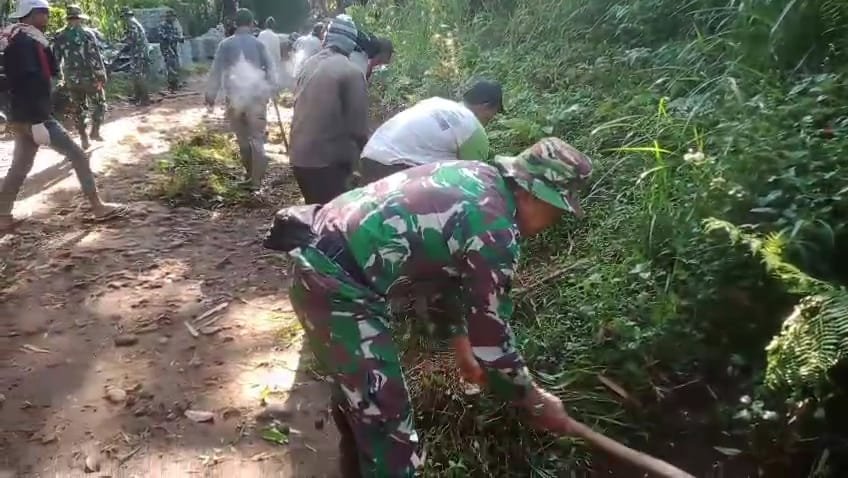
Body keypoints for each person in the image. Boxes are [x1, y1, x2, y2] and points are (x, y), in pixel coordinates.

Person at [267, 137, 592, 477]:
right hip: (334, 285)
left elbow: (446, 277)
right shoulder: (496, 232)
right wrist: (534, 400)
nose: (552, 222)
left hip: (321, 257)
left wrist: (460, 342)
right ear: (531, 193)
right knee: (392, 435)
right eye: (555, 210)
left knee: (364, 398)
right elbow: (494, 342)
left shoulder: (479, 178)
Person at [0, 0, 126, 231]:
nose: (47, 19)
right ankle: (98, 207)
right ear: (31, 14)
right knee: (78, 156)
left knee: (19, 167)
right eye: (44, 14)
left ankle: (3, 216)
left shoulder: (16, 39)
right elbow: (30, 81)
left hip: (21, 116)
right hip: (35, 116)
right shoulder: (26, 43)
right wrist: (39, 120)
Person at [359, 80, 504, 184]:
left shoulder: (435, 103)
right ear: (486, 106)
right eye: (495, 112)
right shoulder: (474, 128)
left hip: (370, 156)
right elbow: (472, 179)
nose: (492, 118)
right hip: (398, 171)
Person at [290, 15, 367, 205]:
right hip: (326, 164)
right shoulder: (352, 72)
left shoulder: (308, 65)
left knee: (315, 212)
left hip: (298, 159)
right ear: (351, 44)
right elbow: (358, 130)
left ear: (327, 38)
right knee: (334, 218)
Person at [205, 8, 275, 190]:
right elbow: (270, 70)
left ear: (235, 24)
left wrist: (210, 95)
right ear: (252, 24)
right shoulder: (259, 45)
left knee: (243, 139)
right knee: (257, 138)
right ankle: (256, 180)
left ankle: (250, 173)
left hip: (235, 98)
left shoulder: (225, 45)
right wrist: (270, 90)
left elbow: (216, 71)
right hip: (257, 98)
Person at [51, 4, 108, 150]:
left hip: (71, 79)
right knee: (100, 104)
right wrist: (101, 76)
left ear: (68, 19)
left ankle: (83, 137)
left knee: (79, 108)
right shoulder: (87, 34)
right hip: (90, 78)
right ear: (80, 18)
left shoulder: (59, 35)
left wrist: (59, 78)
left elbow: (55, 59)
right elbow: (95, 57)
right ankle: (94, 131)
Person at [119, 7, 151, 105]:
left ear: (126, 16)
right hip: (138, 52)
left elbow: (133, 38)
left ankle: (144, 99)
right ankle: (138, 97)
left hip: (139, 53)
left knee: (138, 75)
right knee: (135, 74)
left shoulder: (131, 23)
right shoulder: (134, 22)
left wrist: (123, 43)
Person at [158, 9, 183, 92]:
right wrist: (176, 38)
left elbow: (178, 34)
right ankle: (172, 85)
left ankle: (175, 83)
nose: (172, 18)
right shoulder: (163, 25)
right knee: (170, 65)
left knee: (175, 65)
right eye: (170, 16)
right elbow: (164, 36)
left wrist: (180, 38)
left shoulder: (174, 25)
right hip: (166, 48)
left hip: (173, 47)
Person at [256, 16, 283, 91]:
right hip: (271, 67)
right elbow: (278, 56)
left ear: (266, 25)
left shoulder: (261, 34)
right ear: (273, 26)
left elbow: (258, 49)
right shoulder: (276, 37)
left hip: (262, 66)